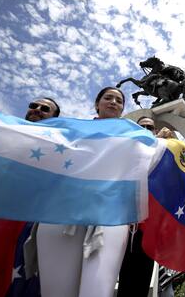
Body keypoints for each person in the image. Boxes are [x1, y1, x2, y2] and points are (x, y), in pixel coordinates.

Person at [34, 87, 129, 297]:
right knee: (57, 291)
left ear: (122, 109)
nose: (113, 102)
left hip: (109, 216)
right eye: (108, 98)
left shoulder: (134, 138)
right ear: (97, 104)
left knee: (97, 291)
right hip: (61, 212)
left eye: (119, 100)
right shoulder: (71, 131)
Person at [0, 97, 60, 297]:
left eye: (45, 109)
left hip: (26, 224)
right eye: (33, 105)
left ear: (54, 118)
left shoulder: (58, 147)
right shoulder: (1, 134)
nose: (37, 109)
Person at [117, 115, 175, 297]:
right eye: (141, 126)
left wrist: (171, 144)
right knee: (123, 278)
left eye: (149, 127)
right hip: (123, 226)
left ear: (155, 132)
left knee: (142, 280)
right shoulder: (125, 154)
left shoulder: (162, 154)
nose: (145, 130)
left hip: (149, 228)